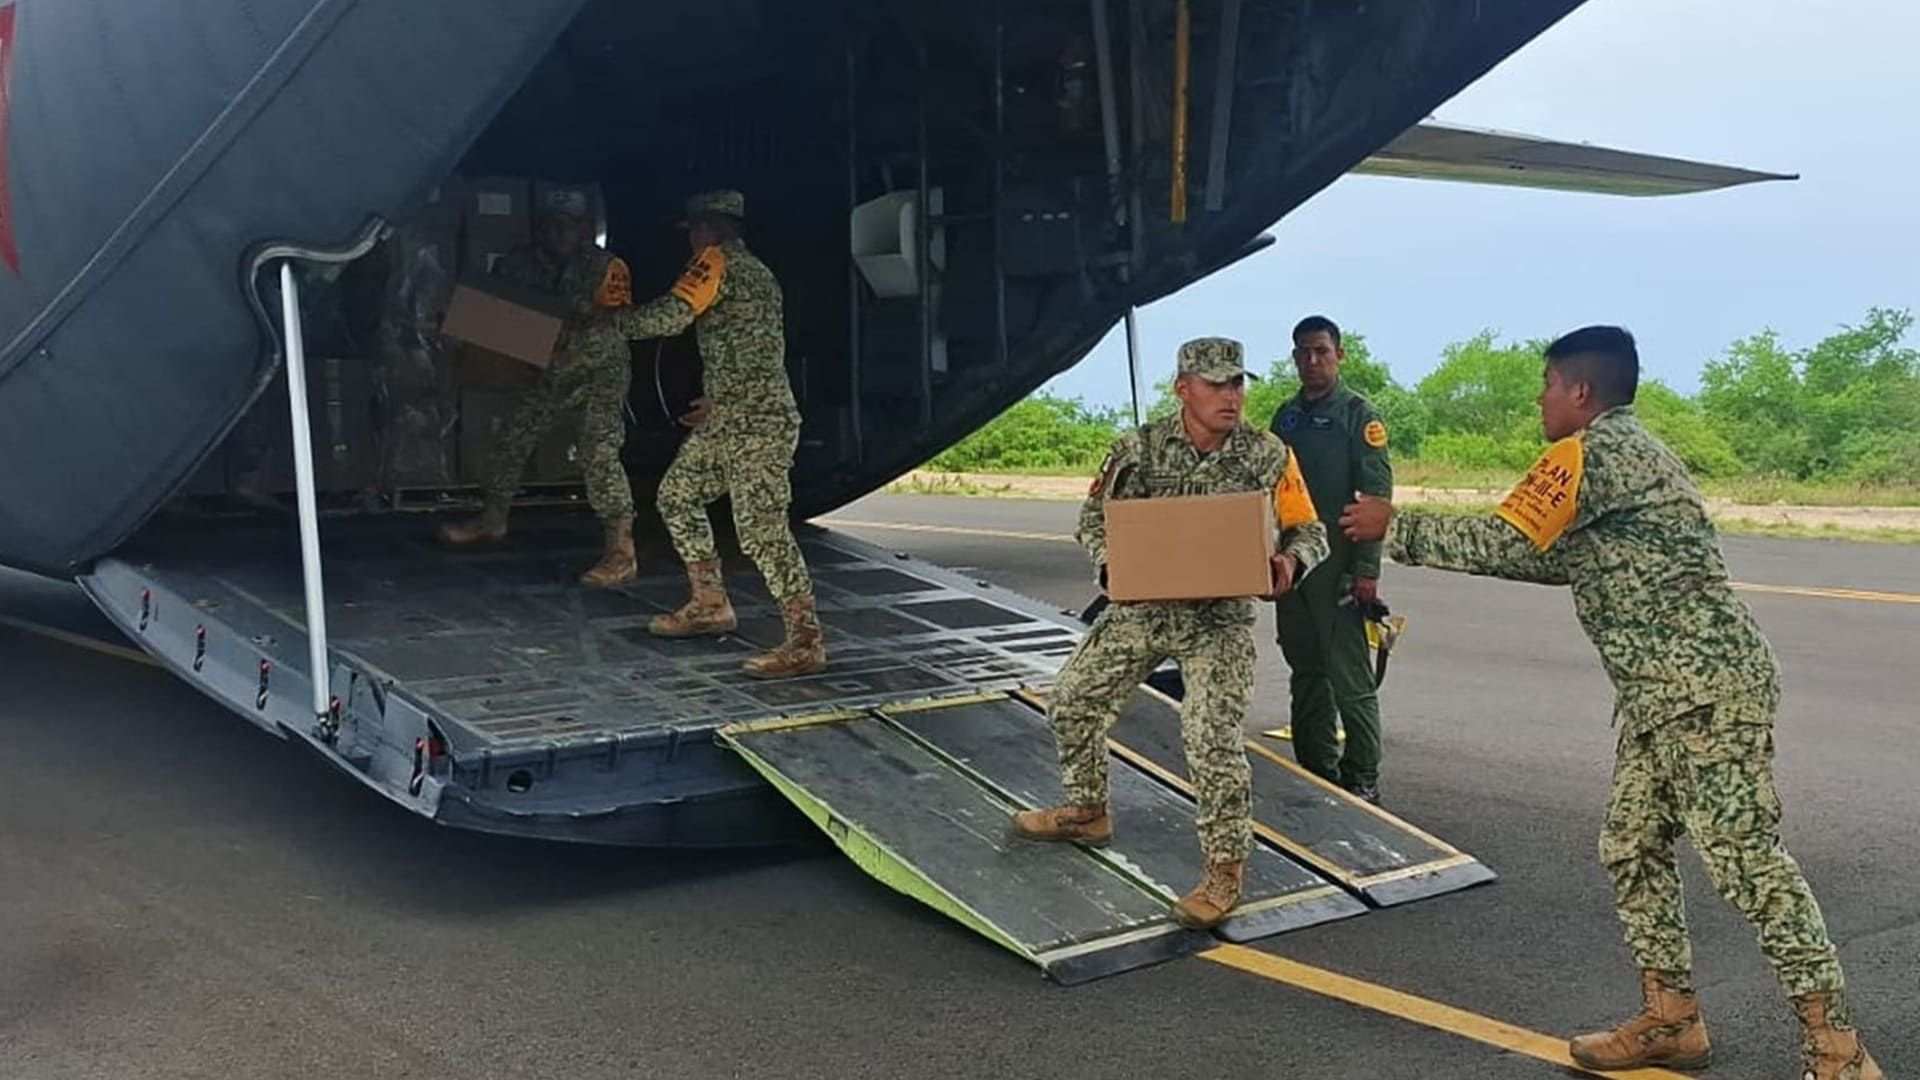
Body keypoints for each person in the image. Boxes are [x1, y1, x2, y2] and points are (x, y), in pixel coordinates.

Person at [1337, 327, 1880, 1080]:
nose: (1540, 400)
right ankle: (1672, 1020)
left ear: (1580, 392)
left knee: (1750, 865)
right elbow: (1546, 556)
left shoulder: (1595, 453)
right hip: (1658, 701)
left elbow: (1503, 540)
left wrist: (1396, 524)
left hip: (1704, 694)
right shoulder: (1617, 458)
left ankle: (1838, 1049)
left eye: (1547, 386)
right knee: (1630, 846)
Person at [1011, 337, 1329, 930]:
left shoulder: (1268, 455)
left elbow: (1308, 529)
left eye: (1237, 383)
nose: (1230, 396)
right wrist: (1111, 567)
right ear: (1183, 388)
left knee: (1210, 737)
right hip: (1145, 608)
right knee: (1073, 702)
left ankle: (1224, 870)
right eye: (1216, 384)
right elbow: (1094, 520)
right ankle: (1086, 809)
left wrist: (1289, 564)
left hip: (1219, 618)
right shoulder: (1140, 450)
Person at [594, 190, 824, 680]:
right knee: (678, 496)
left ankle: (805, 641)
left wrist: (611, 322)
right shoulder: (759, 274)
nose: (691, 243)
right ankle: (709, 603)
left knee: (761, 530)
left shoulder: (716, 263)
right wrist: (719, 400)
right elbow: (753, 348)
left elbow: (671, 316)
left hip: (757, 424)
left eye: (693, 232)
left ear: (709, 230)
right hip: (730, 417)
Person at [437, 190, 640, 588]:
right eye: (552, 224)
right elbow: (497, 312)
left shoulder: (606, 268)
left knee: (600, 454)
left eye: (568, 224)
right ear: (541, 229)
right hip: (548, 372)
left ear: (582, 230)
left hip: (598, 374)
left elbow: (615, 327)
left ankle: (622, 552)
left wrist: (552, 342)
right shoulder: (519, 263)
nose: (560, 232)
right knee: (512, 438)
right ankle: (492, 520)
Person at [1268, 315, 1392, 803]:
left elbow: (1377, 498)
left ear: (1339, 355)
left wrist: (1366, 570)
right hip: (1294, 565)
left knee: (1350, 679)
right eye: (1303, 352)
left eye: (1321, 351)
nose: (1312, 361)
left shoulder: (1359, 416)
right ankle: (1316, 769)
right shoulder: (1286, 418)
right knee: (1305, 669)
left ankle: (1362, 777)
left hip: (1338, 566)